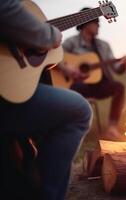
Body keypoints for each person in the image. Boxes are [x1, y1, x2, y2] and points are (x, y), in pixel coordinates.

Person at [0, 0, 92, 200]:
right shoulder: (71, 43)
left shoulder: (101, 46)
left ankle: (27, 170)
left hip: (20, 83)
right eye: (95, 23)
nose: (97, 27)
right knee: (79, 110)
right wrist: (48, 35)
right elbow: (5, 9)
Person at [60, 7, 126, 141]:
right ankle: (71, 127)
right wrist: (68, 69)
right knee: (74, 89)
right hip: (78, 85)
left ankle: (112, 128)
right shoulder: (71, 43)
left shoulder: (104, 45)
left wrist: (123, 64)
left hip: (101, 85)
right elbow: (56, 58)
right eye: (96, 22)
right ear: (85, 23)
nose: (99, 25)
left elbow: (116, 68)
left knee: (119, 87)